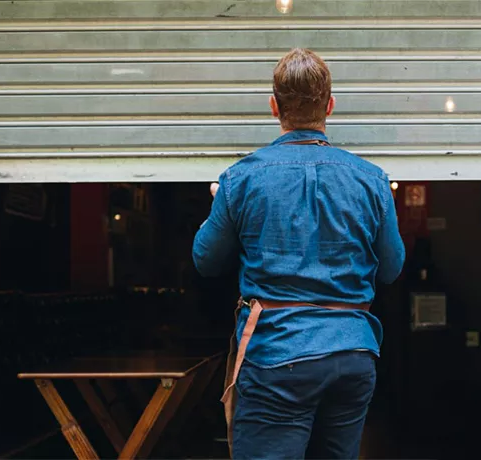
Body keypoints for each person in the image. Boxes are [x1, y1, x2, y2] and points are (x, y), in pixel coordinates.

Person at [192, 48, 406, 459]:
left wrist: (218, 206)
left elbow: (206, 260)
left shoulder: (241, 179)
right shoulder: (372, 181)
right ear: (330, 105)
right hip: (352, 354)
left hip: (277, 356)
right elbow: (392, 269)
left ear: (274, 107)